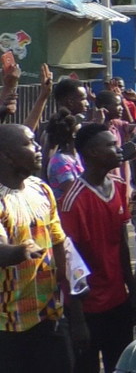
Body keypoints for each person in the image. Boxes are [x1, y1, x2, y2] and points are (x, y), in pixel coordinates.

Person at [60, 123, 134, 373]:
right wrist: (78, 320)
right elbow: (70, 260)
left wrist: (131, 289)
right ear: (92, 153)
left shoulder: (119, 186)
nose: (118, 149)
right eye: (111, 145)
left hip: (117, 300)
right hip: (88, 307)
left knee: (120, 366)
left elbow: (122, 243)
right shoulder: (73, 200)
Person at [0, 124, 73, 373]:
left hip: (49, 316)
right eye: (30, 143)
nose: (39, 148)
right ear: (7, 156)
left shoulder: (41, 189)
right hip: (8, 326)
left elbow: (58, 241)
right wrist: (19, 252)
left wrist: (70, 298)